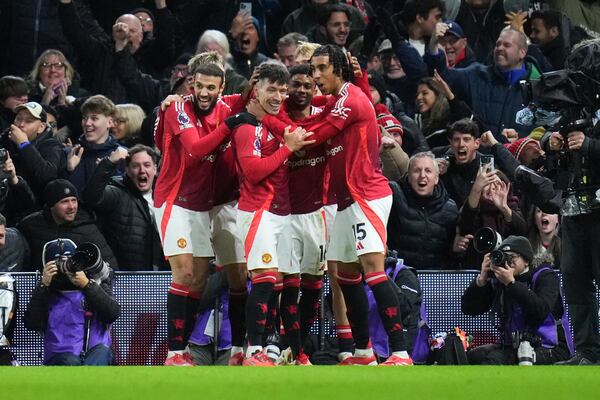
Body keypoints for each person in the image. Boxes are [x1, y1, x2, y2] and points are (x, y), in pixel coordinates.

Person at [260, 44, 413, 366]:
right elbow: (313, 103)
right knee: (345, 275)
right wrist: (280, 100)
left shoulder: (350, 101)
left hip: (365, 195)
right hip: (344, 202)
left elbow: (312, 134)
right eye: (312, 69)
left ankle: (400, 351)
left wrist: (269, 118)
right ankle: (362, 351)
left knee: (373, 270)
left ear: (338, 68)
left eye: (321, 69)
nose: (315, 77)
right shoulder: (339, 99)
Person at [152, 62, 250, 366]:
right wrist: (230, 125)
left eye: (211, 87)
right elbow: (194, 149)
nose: (204, 93)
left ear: (221, 89)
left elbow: (257, 94)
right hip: (176, 200)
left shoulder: (228, 105)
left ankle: (234, 350)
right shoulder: (177, 108)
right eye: (199, 86)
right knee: (185, 274)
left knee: (199, 280)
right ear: (191, 84)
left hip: (208, 205)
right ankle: (173, 353)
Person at [231, 63, 313, 366]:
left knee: (284, 286)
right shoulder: (246, 126)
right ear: (257, 89)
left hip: (283, 213)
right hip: (258, 211)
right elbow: (253, 172)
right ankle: (254, 350)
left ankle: (287, 353)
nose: (278, 95)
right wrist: (288, 149)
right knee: (264, 281)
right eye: (271, 89)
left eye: (282, 89)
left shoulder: (277, 123)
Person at [461, 235, 571, 365]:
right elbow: (469, 309)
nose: (507, 262)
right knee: (474, 356)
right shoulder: (500, 281)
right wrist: (481, 280)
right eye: (503, 257)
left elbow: (541, 310)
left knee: (494, 360)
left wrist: (512, 284)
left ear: (526, 260)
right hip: (512, 346)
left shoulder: (545, 276)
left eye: (512, 257)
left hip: (550, 347)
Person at [424, 28, 541, 139]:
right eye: (498, 44)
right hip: (480, 156)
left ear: (522, 52)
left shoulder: (537, 89)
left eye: (507, 45)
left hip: (517, 157)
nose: (499, 48)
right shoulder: (477, 75)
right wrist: (434, 46)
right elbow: (443, 76)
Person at [23, 238, 120, 366]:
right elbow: (32, 324)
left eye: (69, 260)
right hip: (60, 357)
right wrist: (44, 285)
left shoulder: (95, 283)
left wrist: (87, 285)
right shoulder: (46, 292)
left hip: (96, 355)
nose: (65, 267)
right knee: (70, 360)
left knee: (102, 352)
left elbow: (112, 314)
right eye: (57, 263)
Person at [82, 145, 166, 271]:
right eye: (135, 166)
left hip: (163, 274)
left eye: (147, 165)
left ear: (155, 169)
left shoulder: (166, 197)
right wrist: (109, 162)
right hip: (126, 276)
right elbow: (91, 197)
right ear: (126, 169)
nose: (142, 170)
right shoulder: (117, 192)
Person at [17, 179, 118, 272]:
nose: (71, 207)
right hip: (43, 288)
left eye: (74, 200)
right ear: (51, 205)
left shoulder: (88, 229)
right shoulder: (30, 226)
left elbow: (110, 268)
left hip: (80, 289)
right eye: (64, 202)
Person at [387, 152, 458, 269]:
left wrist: (456, 251)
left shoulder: (449, 208)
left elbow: (452, 254)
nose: (422, 175)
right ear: (408, 176)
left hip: (433, 278)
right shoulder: (393, 194)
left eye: (428, 171)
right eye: (417, 170)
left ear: (436, 178)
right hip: (399, 275)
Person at [5, 101, 65, 200]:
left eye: (28, 121)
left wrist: (23, 144)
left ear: (41, 127)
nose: (21, 124)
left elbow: (46, 175)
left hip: (35, 206)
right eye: (18, 118)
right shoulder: (7, 140)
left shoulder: (51, 145)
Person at [64, 95, 122, 193]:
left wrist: (108, 170)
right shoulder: (70, 153)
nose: (87, 123)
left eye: (94, 118)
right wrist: (69, 171)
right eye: (84, 118)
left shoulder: (122, 155)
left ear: (110, 122)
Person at [414, 71, 473, 151]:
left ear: (438, 94)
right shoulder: (416, 120)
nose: (419, 97)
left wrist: (449, 95)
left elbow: (464, 120)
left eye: (424, 93)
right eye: (417, 94)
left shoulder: (449, 117)